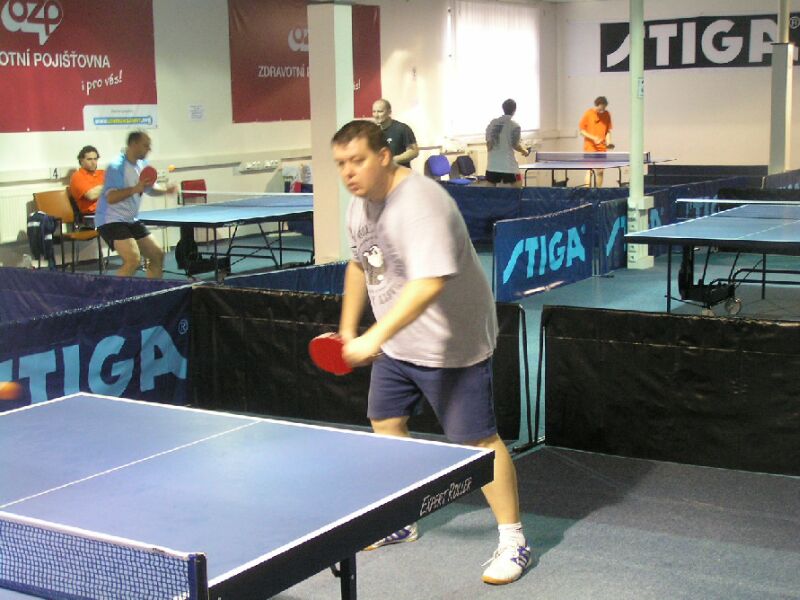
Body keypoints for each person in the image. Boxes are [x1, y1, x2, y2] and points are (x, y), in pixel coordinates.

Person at [332, 120, 531, 585]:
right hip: (398, 341)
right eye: (341, 163)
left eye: (357, 160)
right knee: (386, 423)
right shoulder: (360, 205)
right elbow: (360, 265)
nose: (348, 172)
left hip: (451, 344)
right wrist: (346, 330)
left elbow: (428, 284)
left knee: (476, 443)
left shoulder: (420, 204)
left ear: (384, 156)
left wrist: (373, 338)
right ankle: (402, 518)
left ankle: (514, 540)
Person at [95, 131, 175, 278]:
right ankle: (112, 292)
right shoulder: (116, 167)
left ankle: (152, 291)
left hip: (130, 220)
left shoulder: (142, 165)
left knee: (157, 255)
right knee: (133, 260)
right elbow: (111, 197)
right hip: (110, 220)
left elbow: (149, 188)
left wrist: (165, 190)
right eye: (146, 145)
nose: (149, 149)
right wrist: (134, 189)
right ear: (133, 144)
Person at [485, 99, 530, 187]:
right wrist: (524, 151)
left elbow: (488, 145)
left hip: (492, 165)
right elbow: (515, 145)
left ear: (503, 108)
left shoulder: (492, 123)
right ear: (514, 110)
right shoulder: (515, 126)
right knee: (518, 186)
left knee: (489, 191)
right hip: (509, 166)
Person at [372, 98, 419, 168]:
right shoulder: (372, 131)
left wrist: (392, 160)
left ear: (389, 112)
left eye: (380, 111)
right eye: (374, 111)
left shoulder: (402, 128)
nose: (376, 115)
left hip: (400, 172)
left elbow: (414, 151)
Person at [579, 95, 613, 187]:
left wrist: (609, 142)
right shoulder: (589, 113)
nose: (603, 110)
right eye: (601, 108)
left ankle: (599, 191)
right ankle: (587, 190)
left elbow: (608, 131)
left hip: (602, 147)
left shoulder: (607, 114)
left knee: (600, 171)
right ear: (597, 105)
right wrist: (594, 138)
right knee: (589, 170)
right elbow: (582, 131)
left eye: (604, 108)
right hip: (590, 147)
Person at [68, 145, 105, 217]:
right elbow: (91, 195)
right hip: (93, 215)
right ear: (81, 161)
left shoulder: (103, 173)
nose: (93, 162)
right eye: (89, 159)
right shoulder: (77, 176)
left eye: (95, 159)